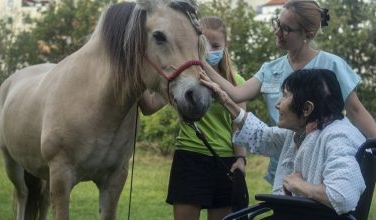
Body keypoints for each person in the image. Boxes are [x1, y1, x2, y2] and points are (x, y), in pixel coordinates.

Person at [202, 0, 376, 185]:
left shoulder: (332, 65)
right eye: (277, 23)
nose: (277, 31)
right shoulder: (270, 69)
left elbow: (356, 111)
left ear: (307, 34)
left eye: (286, 29)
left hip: (321, 165)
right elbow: (236, 94)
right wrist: (202, 63)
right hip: (283, 162)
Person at [200, 68, 366, 215]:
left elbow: (342, 196)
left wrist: (298, 184)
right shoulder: (302, 132)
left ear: (307, 108)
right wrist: (225, 100)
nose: (278, 104)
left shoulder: (338, 137)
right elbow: (260, 134)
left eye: (285, 95)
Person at [139, 16, 247, 220]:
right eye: (204, 44)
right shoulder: (185, 81)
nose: (210, 50)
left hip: (226, 162)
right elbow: (149, 107)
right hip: (190, 157)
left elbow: (239, 124)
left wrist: (241, 159)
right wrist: (138, 74)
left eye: (215, 45)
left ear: (225, 46)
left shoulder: (236, 83)